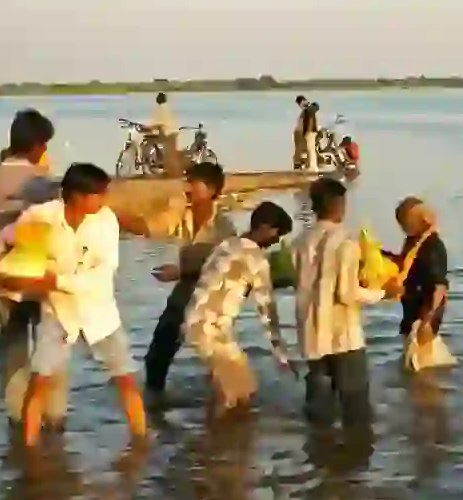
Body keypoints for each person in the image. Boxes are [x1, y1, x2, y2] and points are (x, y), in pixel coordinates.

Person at [0, 163, 147, 447]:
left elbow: (102, 274)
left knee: (126, 379)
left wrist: (53, 280)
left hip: (100, 312)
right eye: (98, 194)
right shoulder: (41, 217)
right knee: (40, 382)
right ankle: (31, 449)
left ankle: (142, 441)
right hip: (59, 312)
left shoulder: (105, 221)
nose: (103, 200)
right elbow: (0, 240)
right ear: (76, 196)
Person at [0, 109, 70, 427]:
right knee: (50, 346)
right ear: (38, 145)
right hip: (36, 273)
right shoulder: (42, 182)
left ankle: (18, 419)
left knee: (11, 347)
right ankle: (53, 417)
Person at [115, 163, 237, 394]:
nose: (187, 188)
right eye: (186, 182)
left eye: (192, 183)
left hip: (213, 300)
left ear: (211, 190)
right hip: (184, 294)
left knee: (219, 365)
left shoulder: (224, 227)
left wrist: (181, 272)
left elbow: (225, 268)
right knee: (156, 358)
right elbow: (148, 227)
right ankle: (155, 406)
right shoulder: (182, 213)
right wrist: (111, 214)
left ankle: (227, 409)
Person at [291, 178, 385, 431]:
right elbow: (347, 293)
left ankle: (319, 459)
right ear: (339, 205)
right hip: (343, 336)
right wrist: (381, 293)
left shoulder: (299, 242)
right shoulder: (346, 243)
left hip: (310, 333)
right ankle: (355, 460)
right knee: (355, 408)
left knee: (319, 407)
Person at [184, 201, 294, 413]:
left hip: (197, 322)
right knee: (232, 396)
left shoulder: (226, 245)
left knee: (245, 391)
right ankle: (214, 440)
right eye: (277, 235)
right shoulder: (257, 260)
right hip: (210, 329)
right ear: (266, 228)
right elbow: (267, 311)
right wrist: (281, 354)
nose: (276, 241)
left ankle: (225, 435)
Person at [384, 197, 448, 347]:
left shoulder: (432, 247)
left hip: (425, 313)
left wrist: (427, 321)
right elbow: (405, 265)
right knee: (410, 360)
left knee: (422, 362)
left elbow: (439, 286)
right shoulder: (414, 242)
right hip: (411, 309)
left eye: (403, 222)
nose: (401, 227)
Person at [143, 92, 181, 177]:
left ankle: (175, 174)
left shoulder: (161, 109)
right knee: (171, 154)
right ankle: (170, 172)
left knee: (170, 155)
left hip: (169, 133)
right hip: (172, 132)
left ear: (158, 100)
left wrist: (147, 127)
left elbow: (157, 122)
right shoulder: (167, 108)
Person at [292, 95, 320, 171]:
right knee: (306, 149)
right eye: (299, 104)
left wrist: (307, 131)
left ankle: (312, 166)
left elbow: (310, 121)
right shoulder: (306, 110)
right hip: (306, 132)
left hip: (309, 131)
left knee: (310, 149)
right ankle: (308, 165)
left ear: (304, 101)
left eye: (300, 103)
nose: (300, 105)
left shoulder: (309, 109)